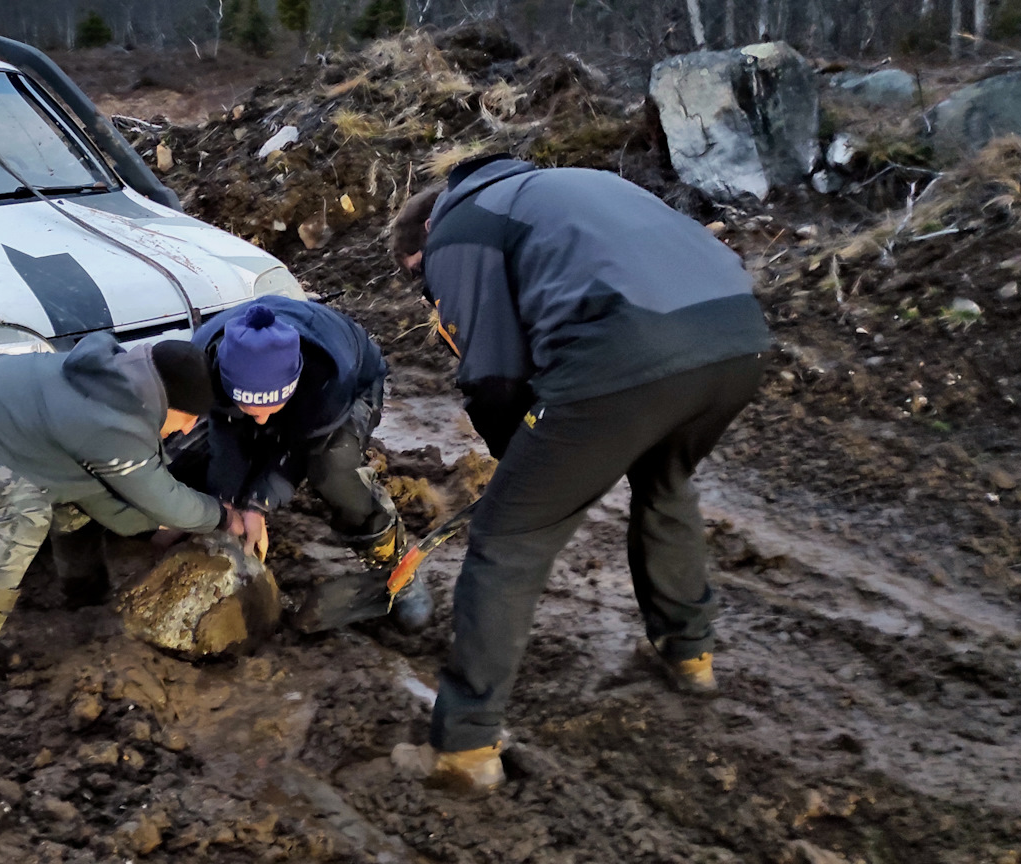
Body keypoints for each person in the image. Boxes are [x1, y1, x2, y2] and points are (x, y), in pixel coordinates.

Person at [390, 155, 770, 792]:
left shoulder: (459, 226)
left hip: (625, 352)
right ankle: (690, 653)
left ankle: (463, 748)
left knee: (507, 544)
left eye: (419, 277)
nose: (427, 293)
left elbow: (493, 375)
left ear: (427, 232)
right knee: (665, 484)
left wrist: (521, 468)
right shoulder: (579, 184)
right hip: (735, 341)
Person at [0, 333, 244, 722]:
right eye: (188, 417)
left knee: (69, 499)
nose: (188, 430)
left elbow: (97, 494)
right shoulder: (109, 422)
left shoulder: (113, 385)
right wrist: (221, 515)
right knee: (24, 513)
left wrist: (153, 530)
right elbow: (165, 500)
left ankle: (86, 605)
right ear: (167, 402)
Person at [184, 296, 429, 630]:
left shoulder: (329, 376)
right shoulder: (203, 363)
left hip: (355, 381)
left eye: (272, 408)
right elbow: (225, 436)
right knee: (214, 450)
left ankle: (398, 566)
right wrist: (226, 503)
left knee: (332, 468)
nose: (260, 421)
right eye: (250, 408)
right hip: (259, 391)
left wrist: (258, 505)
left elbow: (299, 450)